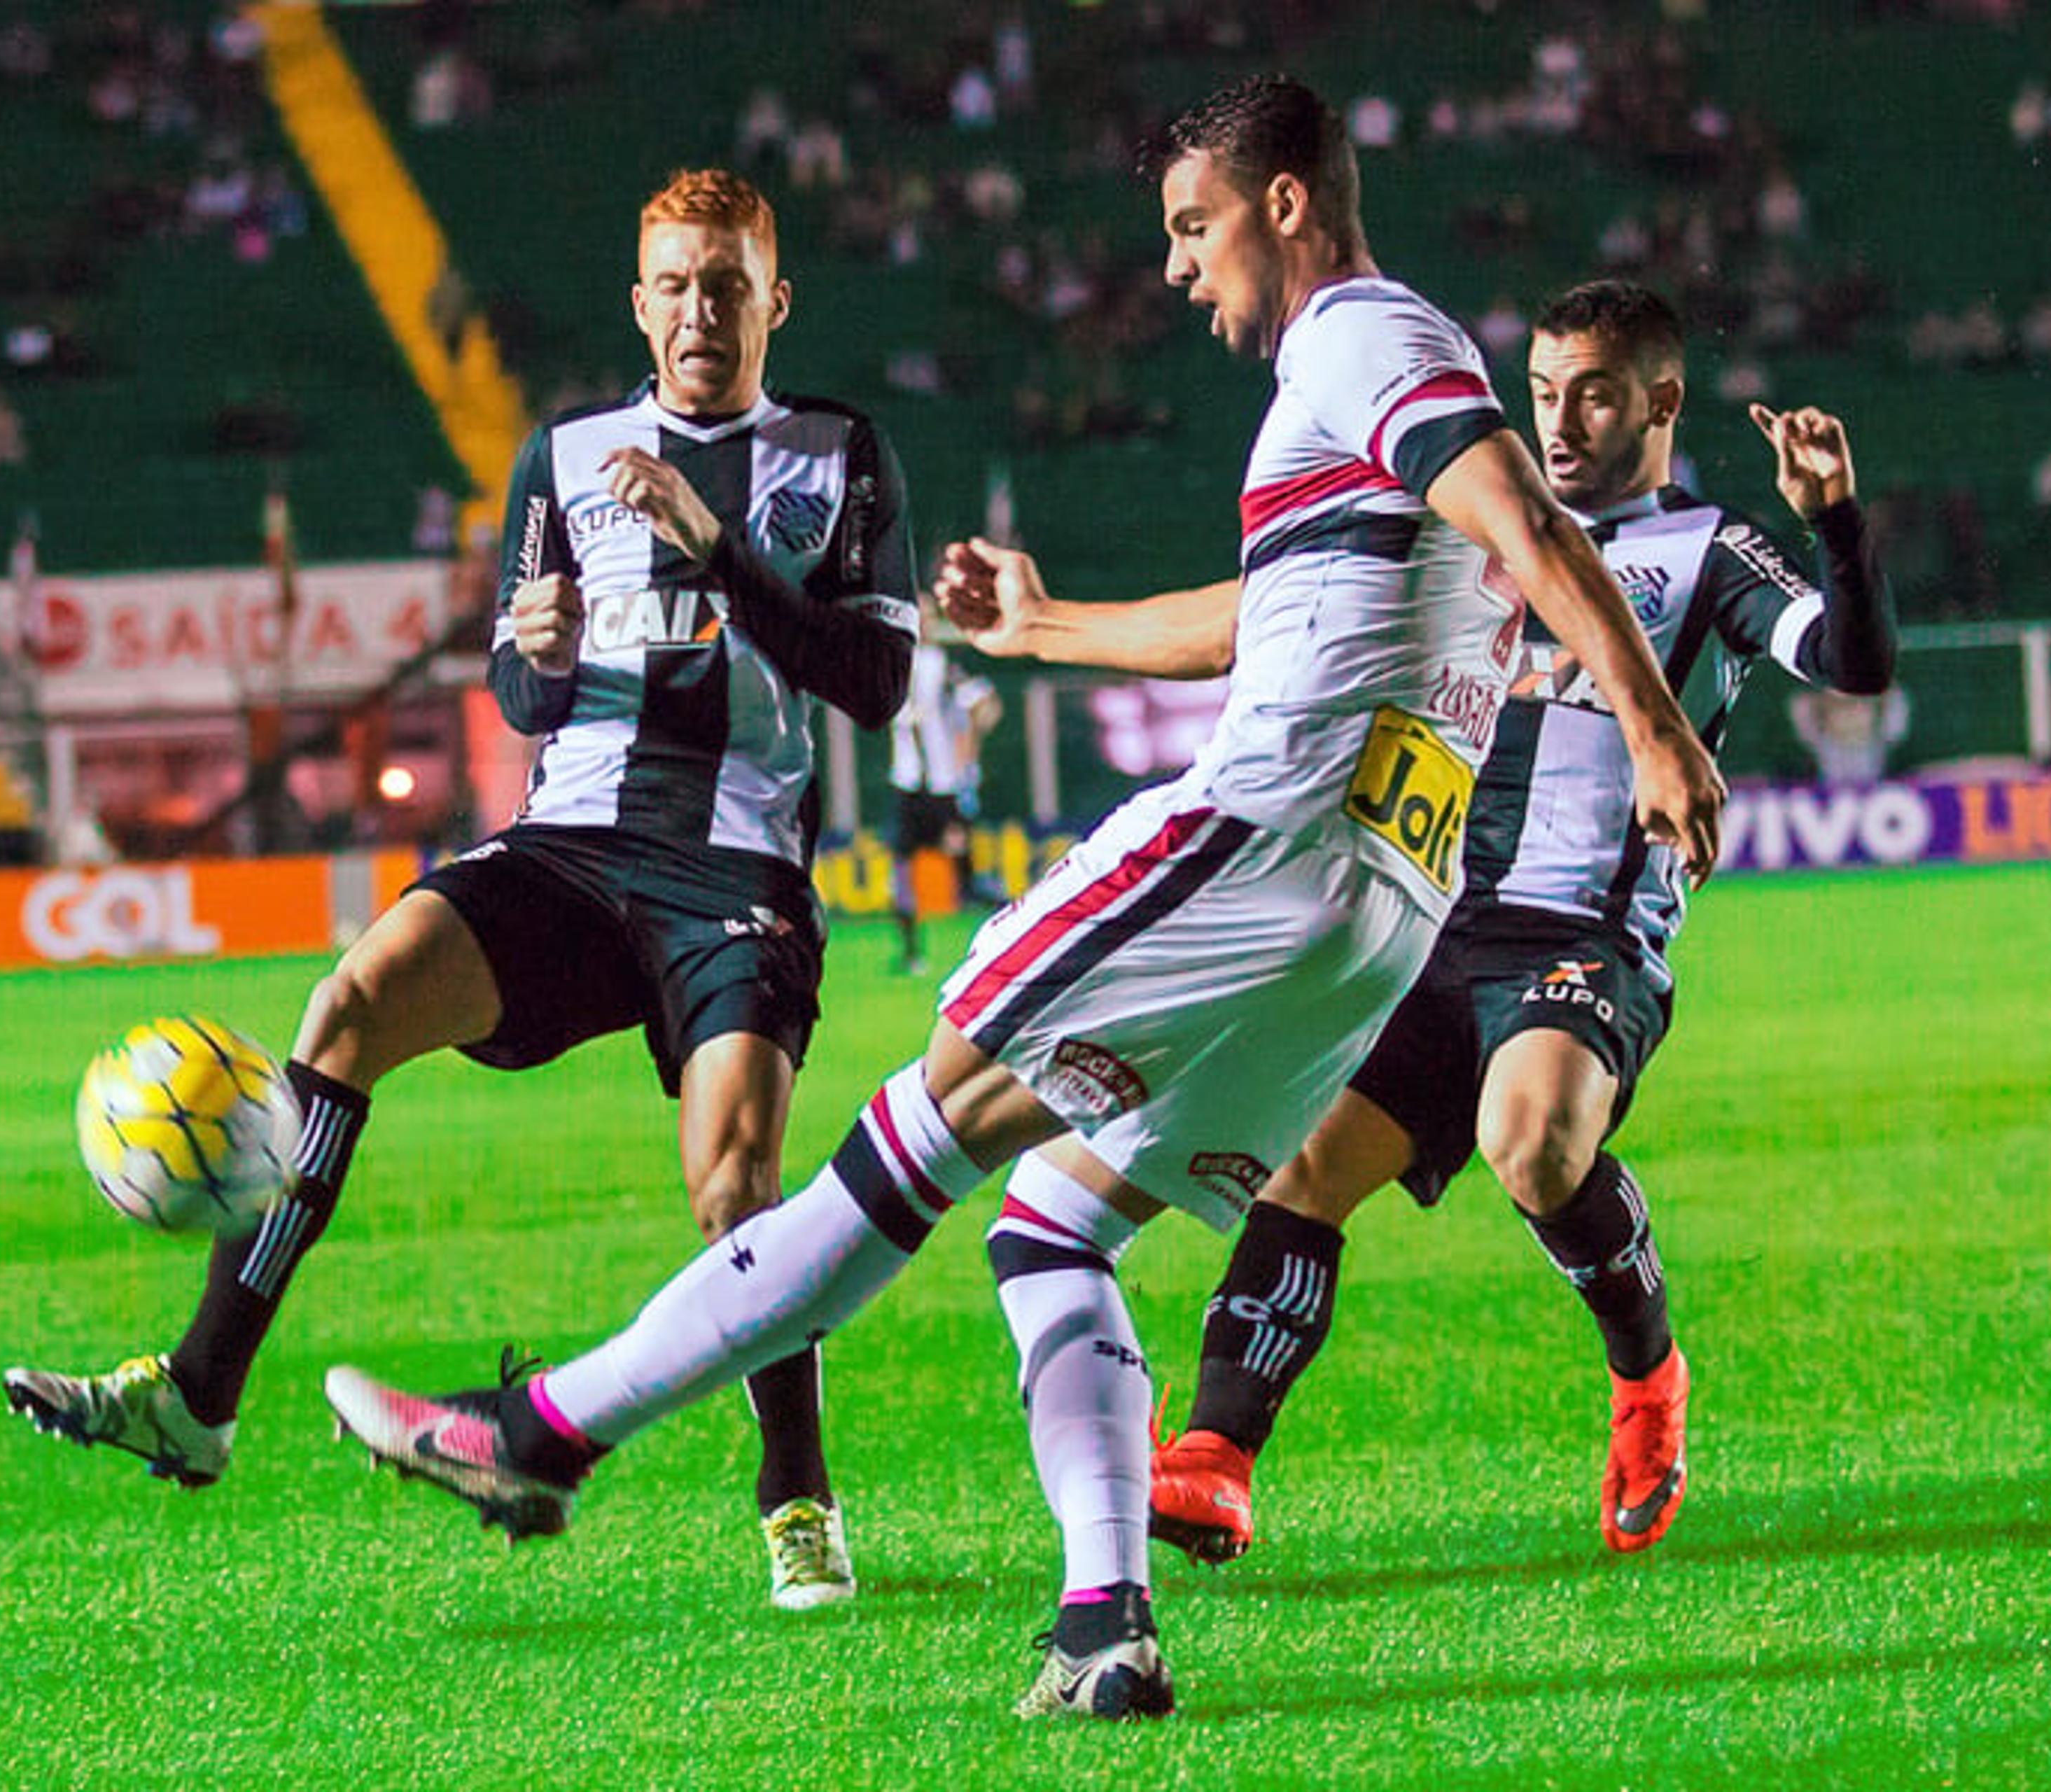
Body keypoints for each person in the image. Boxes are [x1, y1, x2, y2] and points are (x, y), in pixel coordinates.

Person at [317, 78, 1725, 1721]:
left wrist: (1651, 726)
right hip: (1375, 908)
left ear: (1281, 205)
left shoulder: (1355, 335)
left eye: (1193, 230)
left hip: (1257, 838)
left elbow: (1526, 514)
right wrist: (1047, 629)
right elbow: (1271, 614)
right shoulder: (1367, 388)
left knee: (912, 1130)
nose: (1183, 272)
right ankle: (1101, 1618)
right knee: (1050, 1218)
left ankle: (543, 1431)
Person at [4, 169, 918, 1611]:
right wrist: (536, 656)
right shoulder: (563, 456)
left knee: (734, 1180)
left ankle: (795, 1493)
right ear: (640, 300)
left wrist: (716, 550)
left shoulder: (838, 452)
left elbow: (875, 681)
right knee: (349, 1000)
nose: (700, 309)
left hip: (736, 863)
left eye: (728, 283)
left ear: (774, 299)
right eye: (675, 283)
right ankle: (196, 1395)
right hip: (569, 849)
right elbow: (519, 682)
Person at [1129, 281, 1898, 1567]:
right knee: (1303, 1165)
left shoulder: (1709, 549)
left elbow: (1850, 663)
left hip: (1581, 936)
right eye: (1542, 392)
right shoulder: (1471, 533)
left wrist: (1839, 527)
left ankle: (1647, 1375)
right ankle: (1214, 1451)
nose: (1562, 420)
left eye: (1594, 392)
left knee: (1530, 1143)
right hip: (1426, 921)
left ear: (1660, 400)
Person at [886, 636, 1002, 973]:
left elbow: (987, 704)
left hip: (944, 787)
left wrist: (968, 749)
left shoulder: (944, 663)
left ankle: (1007, 935)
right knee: (900, 872)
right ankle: (911, 956)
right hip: (907, 785)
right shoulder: (891, 658)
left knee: (966, 876)